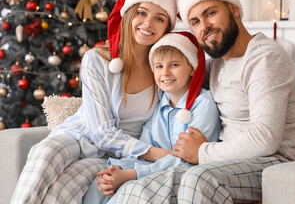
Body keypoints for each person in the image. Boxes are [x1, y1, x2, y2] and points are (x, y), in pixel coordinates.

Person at [117, 0, 295, 203]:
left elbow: (265, 138)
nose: (204, 27)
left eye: (210, 13)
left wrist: (202, 152)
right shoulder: (216, 63)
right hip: (233, 162)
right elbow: (173, 75)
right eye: (195, 22)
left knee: (198, 179)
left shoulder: (264, 58)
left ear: (234, 10)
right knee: (144, 185)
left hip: (279, 162)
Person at [10, 0, 178, 204]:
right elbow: (101, 132)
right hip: (78, 136)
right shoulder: (98, 59)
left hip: (113, 156)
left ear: (167, 27)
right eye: (142, 13)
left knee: (62, 189)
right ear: (129, 14)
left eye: (159, 18)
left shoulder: (164, 72)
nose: (148, 23)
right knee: (44, 153)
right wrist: (157, 154)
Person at [83, 31, 221, 204]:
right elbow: (144, 150)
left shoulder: (203, 105)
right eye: (159, 66)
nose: (165, 73)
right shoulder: (158, 105)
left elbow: (188, 159)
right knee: (97, 189)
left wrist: (130, 174)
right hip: (154, 168)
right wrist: (117, 172)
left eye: (174, 65)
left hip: (184, 173)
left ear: (192, 68)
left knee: (128, 191)